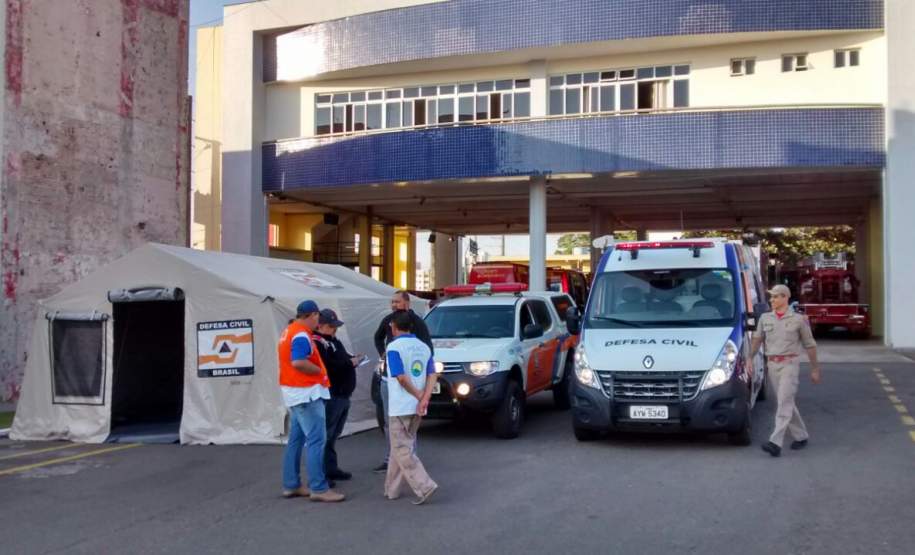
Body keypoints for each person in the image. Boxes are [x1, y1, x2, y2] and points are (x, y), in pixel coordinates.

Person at [278, 300, 345, 502]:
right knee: (317, 440)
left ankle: (291, 484)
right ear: (312, 315)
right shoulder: (300, 334)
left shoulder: (289, 331)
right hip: (306, 393)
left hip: (294, 392)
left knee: (296, 440)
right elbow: (298, 361)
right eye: (317, 316)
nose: (319, 320)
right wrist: (317, 371)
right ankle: (319, 487)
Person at [749, 284, 821, 458]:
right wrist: (748, 359)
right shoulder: (765, 318)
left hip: (790, 364)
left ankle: (775, 442)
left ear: (784, 298)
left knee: (783, 402)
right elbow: (757, 340)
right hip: (772, 365)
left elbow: (810, 345)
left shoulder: (799, 320)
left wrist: (815, 369)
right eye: (771, 297)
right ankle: (801, 435)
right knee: (786, 401)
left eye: (775, 297)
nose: (771, 300)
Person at [372, 290, 434, 473]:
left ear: (407, 303)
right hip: (388, 379)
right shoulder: (388, 320)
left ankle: (410, 458)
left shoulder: (418, 323)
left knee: (409, 421)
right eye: (392, 302)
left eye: (397, 302)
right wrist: (382, 353)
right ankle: (391, 457)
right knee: (389, 420)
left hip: (411, 380)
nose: (393, 305)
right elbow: (377, 337)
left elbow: (428, 349)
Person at [384, 311, 439, 504]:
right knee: (399, 447)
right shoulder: (423, 347)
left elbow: (400, 377)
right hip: (417, 406)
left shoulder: (393, 347)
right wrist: (425, 397)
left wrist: (417, 395)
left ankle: (424, 486)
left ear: (394, 327)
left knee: (402, 449)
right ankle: (391, 489)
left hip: (400, 406)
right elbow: (432, 374)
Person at [313, 308, 362, 481]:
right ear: (321, 326)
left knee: (333, 435)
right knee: (326, 435)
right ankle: (322, 473)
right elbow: (329, 366)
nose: (335, 329)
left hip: (342, 394)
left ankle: (331, 468)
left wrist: (352, 360)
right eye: (332, 326)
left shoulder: (333, 341)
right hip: (332, 394)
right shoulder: (318, 342)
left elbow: (341, 359)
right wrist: (350, 363)